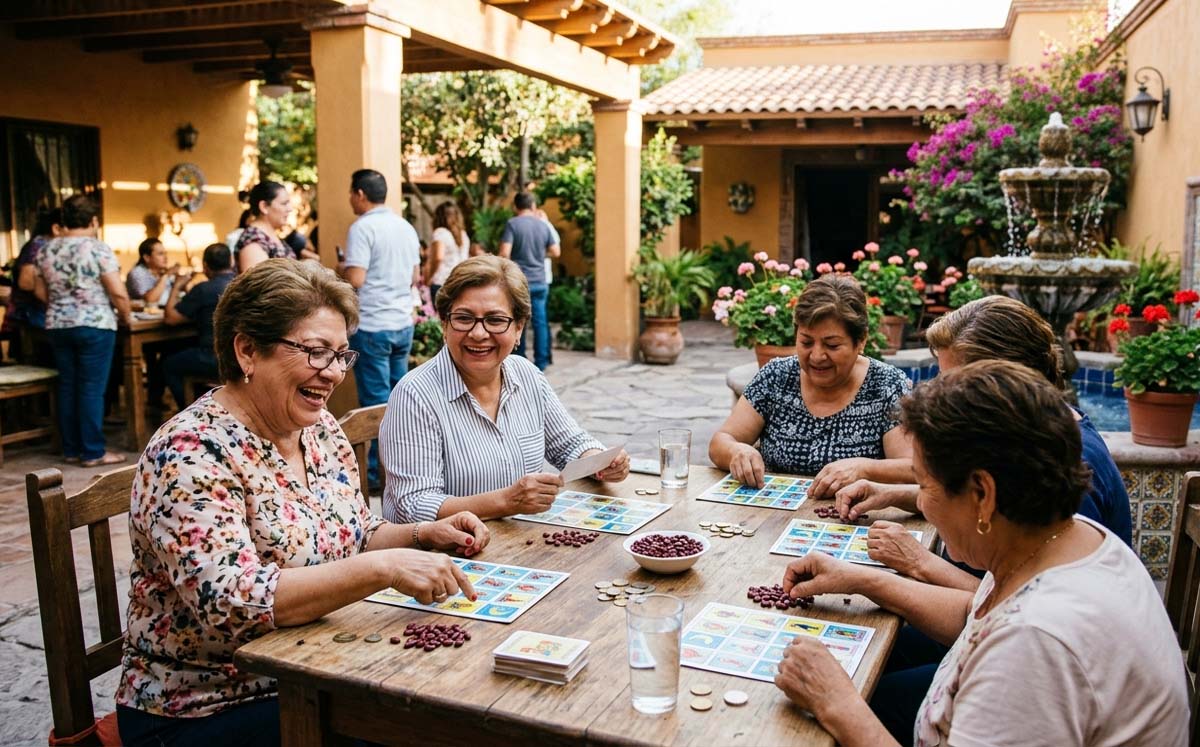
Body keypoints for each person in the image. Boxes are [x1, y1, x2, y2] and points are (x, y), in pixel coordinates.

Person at [115, 259, 491, 746]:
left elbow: (355, 533)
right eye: (316, 353)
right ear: (248, 349)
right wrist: (382, 569)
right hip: (206, 705)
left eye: (341, 355)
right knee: (426, 729)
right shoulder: (191, 453)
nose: (333, 373)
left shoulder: (317, 428)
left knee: (460, 689)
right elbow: (236, 603)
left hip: (313, 669)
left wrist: (420, 535)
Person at [772, 360, 1188, 747]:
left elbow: (1015, 640)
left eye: (925, 485)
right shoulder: (1062, 536)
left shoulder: (1035, 644)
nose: (922, 503)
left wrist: (840, 705)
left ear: (983, 495)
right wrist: (862, 579)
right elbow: (976, 613)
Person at [380, 255, 629, 524]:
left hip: (514, 546)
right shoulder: (415, 396)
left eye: (495, 320)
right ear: (444, 324)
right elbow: (414, 505)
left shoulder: (527, 375)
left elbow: (569, 444)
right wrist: (506, 502)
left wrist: (600, 461)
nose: (478, 333)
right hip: (441, 556)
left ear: (519, 328)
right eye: (464, 318)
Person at [709, 274, 913, 491]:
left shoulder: (887, 385)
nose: (816, 356)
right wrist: (737, 451)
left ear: (861, 341)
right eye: (806, 342)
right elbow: (720, 441)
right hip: (772, 515)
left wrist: (865, 469)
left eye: (832, 345)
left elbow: (912, 469)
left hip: (853, 518)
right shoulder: (777, 376)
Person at [33, 194, 130, 467]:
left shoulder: (46, 250)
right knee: (90, 388)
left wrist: (64, 305)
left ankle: (71, 449)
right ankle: (92, 452)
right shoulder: (97, 248)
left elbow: (40, 291)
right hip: (95, 323)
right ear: (94, 220)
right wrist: (127, 316)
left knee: (67, 386)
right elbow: (117, 292)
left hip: (58, 325)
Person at [339, 168, 422, 487]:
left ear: (360, 194)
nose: (350, 199)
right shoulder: (405, 227)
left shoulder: (363, 227)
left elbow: (356, 279)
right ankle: (404, 463)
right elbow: (415, 276)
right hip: (402, 322)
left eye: (351, 193)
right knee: (399, 400)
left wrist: (340, 270)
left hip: (373, 324)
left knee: (376, 403)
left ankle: (377, 474)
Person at [162, 243, 236, 408]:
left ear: (205, 266)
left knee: (169, 365)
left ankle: (191, 409)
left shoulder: (203, 289)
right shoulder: (242, 285)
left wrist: (176, 286)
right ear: (231, 261)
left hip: (213, 357)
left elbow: (171, 319)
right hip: (240, 356)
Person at [498, 191, 559, 370]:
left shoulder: (512, 224)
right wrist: (539, 254)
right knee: (540, 321)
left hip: (520, 282)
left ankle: (520, 360)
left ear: (516, 207)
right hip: (540, 280)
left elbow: (504, 253)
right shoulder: (543, 225)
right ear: (533, 206)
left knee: (518, 320)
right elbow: (556, 251)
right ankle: (541, 362)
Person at [2, 207, 60, 362]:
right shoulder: (38, 246)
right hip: (30, 317)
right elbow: (26, 283)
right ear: (56, 228)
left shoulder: (47, 246)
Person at [235, 181, 292, 272]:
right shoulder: (253, 242)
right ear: (264, 206)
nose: (290, 209)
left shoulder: (267, 236)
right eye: (284, 204)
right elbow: (258, 285)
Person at [425, 200, 470, 304]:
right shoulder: (463, 235)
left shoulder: (440, 233)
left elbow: (438, 258)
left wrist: (429, 277)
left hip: (441, 282)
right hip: (459, 282)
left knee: (440, 318)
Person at [125, 238, 178, 305]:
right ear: (147, 258)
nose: (166, 257)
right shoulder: (137, 273)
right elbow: (150, 300)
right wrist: (166, 276)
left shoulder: (162, 272)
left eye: (165, 253)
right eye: (160, 254)